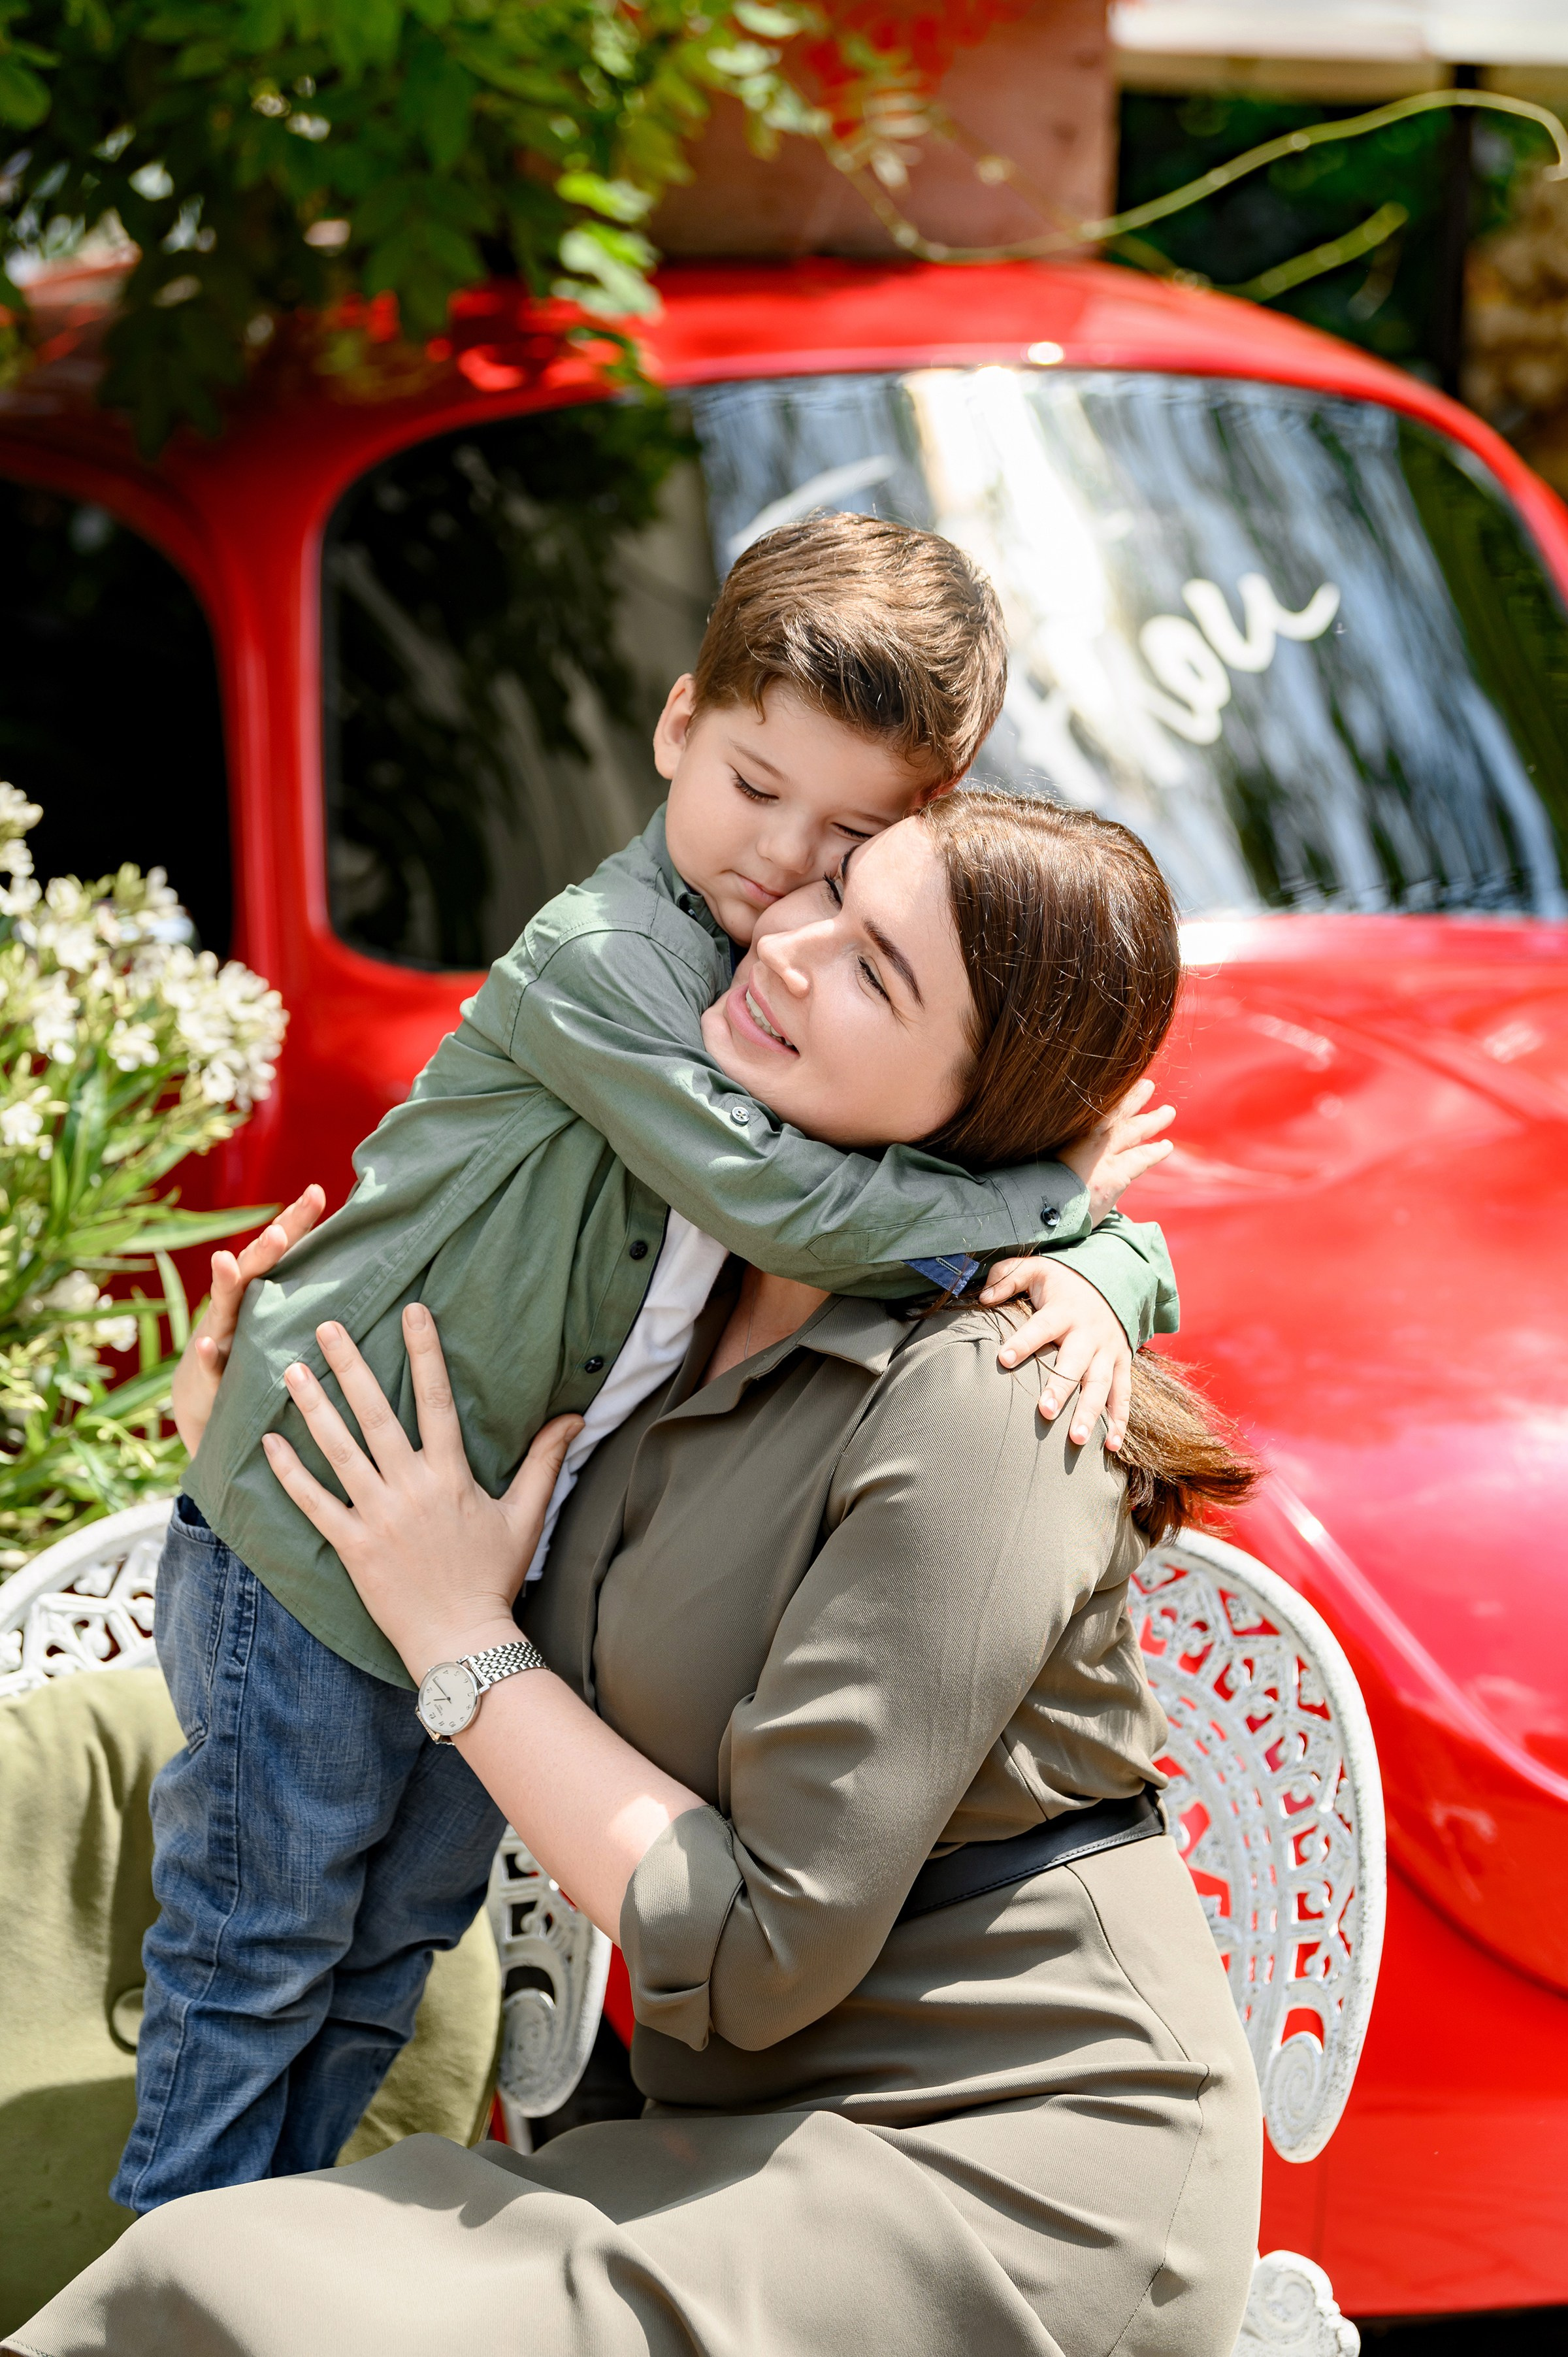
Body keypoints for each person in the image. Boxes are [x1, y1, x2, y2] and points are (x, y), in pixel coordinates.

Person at [14, 790, 1262, 2357]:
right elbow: (463, 1510)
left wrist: (455, 1631)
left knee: (219, 2300)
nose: (791, 949)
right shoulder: (672, 1257)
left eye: (879, 971)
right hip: (721, 2135)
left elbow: (753, 1948)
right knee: (195, 2274)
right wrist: (264, 1438)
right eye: (822, 895)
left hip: (1003, 2172)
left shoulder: (997, 1392)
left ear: (983, 1102)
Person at [115, 512, 1182, 2214]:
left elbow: (928, 1161)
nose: (781, 870)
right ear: (679, 725)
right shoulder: (610, 964)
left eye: (850, 841)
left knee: (392, 1951)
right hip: (313, 1535)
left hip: (486, 1570)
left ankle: (268, 2257)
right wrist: (1073, 1197)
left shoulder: (790, 1004)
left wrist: (1108, 1268)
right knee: (261, 1949)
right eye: (755, 788)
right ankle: (172, 2268)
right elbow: (788, 1198)